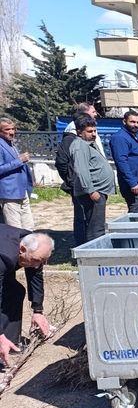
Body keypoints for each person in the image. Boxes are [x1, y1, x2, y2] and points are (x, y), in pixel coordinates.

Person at [0, 227, 55, 367]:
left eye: (42, 261)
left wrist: (38, 311)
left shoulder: (31, 245)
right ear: (22, 249)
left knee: (15, 291)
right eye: (36, 260)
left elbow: (35, 278)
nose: (37, 266)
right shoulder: (3, 258)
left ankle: (11, 343)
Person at [71, 115, 115, 242]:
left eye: (95, 131)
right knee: (95, 228)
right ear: (80, 132)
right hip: (93, 192)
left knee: (98, 225)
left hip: (98, 190)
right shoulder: (80, 146)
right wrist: (90, 190)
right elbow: (81, 169)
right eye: (90, 131)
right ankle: (95, 256)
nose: (94, 134)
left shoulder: (89, 144)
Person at [112, 110, 138, 214]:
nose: (136, 125)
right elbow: (121, 162)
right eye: (132, 122)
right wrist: (132, 183)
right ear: (124, 121)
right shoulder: (120, 138)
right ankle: (131, 230)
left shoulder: (133, 137)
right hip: (133, 184)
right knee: (136, 215)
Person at [0, 117, 34, 230]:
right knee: (15, 230)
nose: (12, 132)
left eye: (13, 129)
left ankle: (28, 247)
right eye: (7, 129)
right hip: (10, 194)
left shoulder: (11, 144)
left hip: (22, 191)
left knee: (28, 228)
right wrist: (19, 161)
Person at [54, 123, 83, 245]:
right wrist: (70, 180)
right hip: (78, 185)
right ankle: (82, 244)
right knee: (81, 217)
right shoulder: (69, 141)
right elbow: (61, 163)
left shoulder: (83, 141)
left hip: (88, 186)